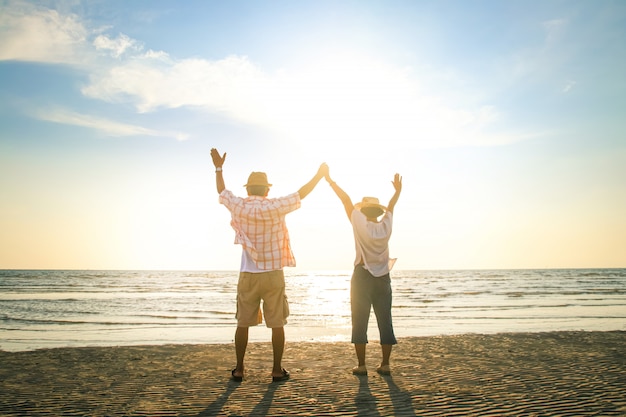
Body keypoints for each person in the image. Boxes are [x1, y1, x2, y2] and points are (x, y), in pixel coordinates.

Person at [211, 148, 327, 382]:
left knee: (243, 323)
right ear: (266, 189)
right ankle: (276, 369)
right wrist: (318, 175)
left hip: (248, 274)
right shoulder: (274, 205)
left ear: (248, 189)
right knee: (277, 324)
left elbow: (222, 192)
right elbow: (300, 194)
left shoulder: (240, 206)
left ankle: (240, 369)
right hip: (273, 274)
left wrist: (219, 167)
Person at [324, 170, 402, 376]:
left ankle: (362, 365)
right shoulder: (386, 226)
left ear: (364, 210)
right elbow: (391, 208)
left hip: (362, 276)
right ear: (378, 212)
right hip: (383, 278)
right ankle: (385, 364)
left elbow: (346, 200)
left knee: (360, 320)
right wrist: (397, 192)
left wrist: (330, 180)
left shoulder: (359, 223)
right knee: (385, 319)